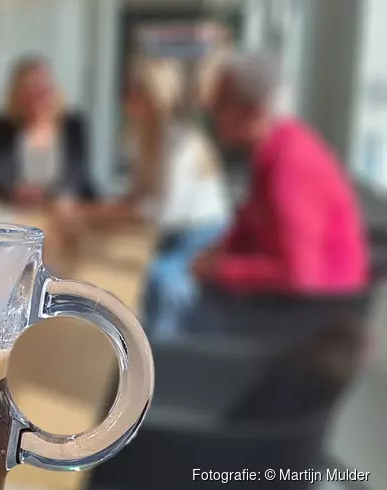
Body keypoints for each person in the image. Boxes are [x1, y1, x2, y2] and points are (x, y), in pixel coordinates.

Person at [189, 53, 369, 336]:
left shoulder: (290, 166)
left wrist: (220, 271)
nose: (211, 112)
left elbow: (298, 275)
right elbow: (248, 226)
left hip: (313, 326)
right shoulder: (273, 150)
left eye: (221, 103)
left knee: (175, 300)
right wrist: (216, 255)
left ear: (253, 111)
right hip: (291, 310)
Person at [125, 59, 229, 338]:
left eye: (138, 93)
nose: (129, 100)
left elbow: (161, 212)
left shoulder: (182, 143)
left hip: (202, 234)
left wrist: (99, 214)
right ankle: (144, 339)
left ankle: (162, 353)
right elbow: (138, 197)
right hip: (172, 232)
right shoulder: (143, 139)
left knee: (161, 278)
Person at [0, 57, 94, 205]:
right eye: (31, 90)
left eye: (44, 88)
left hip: (65, 211)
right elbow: (1, 180)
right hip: (20, 211)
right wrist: (15, 190)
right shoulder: (5, 128)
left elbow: (77, 178)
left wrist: (46, 194)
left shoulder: (73, 125)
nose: (39, 96)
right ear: (18, 95)